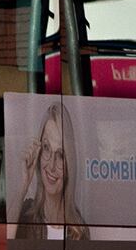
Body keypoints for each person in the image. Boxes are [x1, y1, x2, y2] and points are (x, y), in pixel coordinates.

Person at [15, 100, 89, 241]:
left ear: (70, 164)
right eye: (46, 148)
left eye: (61, 155)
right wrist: (23, 185)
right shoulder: (24, 214)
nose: (51, 165)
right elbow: (3, 246)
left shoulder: (79, 230)